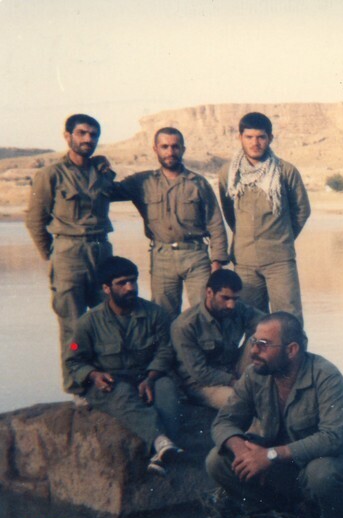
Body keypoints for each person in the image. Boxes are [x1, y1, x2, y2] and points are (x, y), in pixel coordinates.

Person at [206, 312, 343, 518]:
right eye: (253, 342)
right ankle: (269, 513)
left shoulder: (326, 376)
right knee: (217, 460)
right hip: (286, 466)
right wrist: (244, 453)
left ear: (292, 350)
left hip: (332, 464)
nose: (253, 351)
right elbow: (224, 422)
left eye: (263, 345)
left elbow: (333, 438)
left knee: (323, 472)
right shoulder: (254, 374)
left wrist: (270, 455)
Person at [64, 256, 183, 476]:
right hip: (111, 382)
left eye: (133, 281)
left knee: (167, 388)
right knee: (122, 393)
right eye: (122, 283)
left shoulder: (155, 314)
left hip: (147, 376)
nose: (130, 288)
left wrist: (151, 377)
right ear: (106, 288)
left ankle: (163, 452)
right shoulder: (88, 322)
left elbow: (166, 350)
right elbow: (74, 359)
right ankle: (161, 442)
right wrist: (94, 375)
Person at [25, 114, 116, 396]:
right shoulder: (51, 175)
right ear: (68, 136)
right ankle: (77, 386)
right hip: (69, 254)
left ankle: (107, 383)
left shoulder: (102, 173)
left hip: (101, 251)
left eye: (93, 135)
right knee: (73, 325)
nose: (88, 139)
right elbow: (35, 220)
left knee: (107, 319)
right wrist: (52, 255)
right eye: (82, 133)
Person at [114, 127, 229, 320]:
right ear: (155, 149)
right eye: (164, 147)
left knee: (204, 312)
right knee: (162, 314)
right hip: (162, 257)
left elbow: (215, 223)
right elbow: (108, 192)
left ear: (183, 149)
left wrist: (217, 263)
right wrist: (101, 168)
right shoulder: (142, 182)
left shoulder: (198, 183)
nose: (170, 152)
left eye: (175, 147)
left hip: (196, 256)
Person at [217, 112, 310, 323]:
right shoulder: (228, 173)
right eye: (249, 137)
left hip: (279, 260)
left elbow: (302, 210)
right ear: (240, 138)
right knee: (251, 321)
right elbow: (229, 212)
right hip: (244, 260)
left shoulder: (285, 171)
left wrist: (282, 237)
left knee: (288, 319)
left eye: (261, 137)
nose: (255, 143)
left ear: (270, 138)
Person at [171, 269, 265, 409]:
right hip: (202, 384)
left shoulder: (237, 309)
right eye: (225, 298)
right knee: (242, 401)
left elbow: (268, 321)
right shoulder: (185, 325)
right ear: (209, 292)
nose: (231, 305)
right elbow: (200, 372)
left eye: (235, 299)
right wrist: (237, 383)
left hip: (232, 369)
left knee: (262, 334)